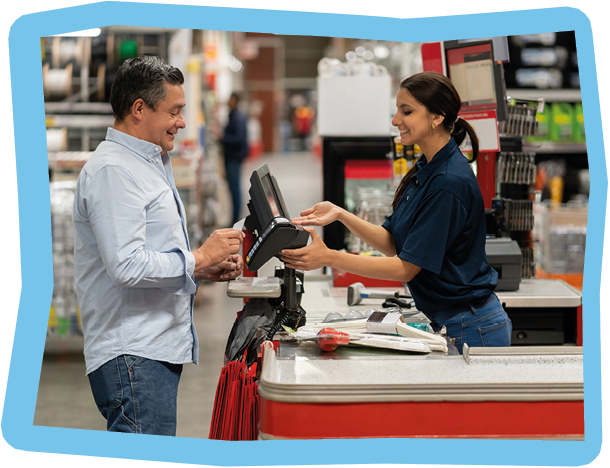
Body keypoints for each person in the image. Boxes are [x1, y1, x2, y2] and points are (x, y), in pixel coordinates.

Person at [280, 71, 512, 354]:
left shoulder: (448, 183)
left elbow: (405, 267)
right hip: (452, 319)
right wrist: (340, 213)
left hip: (472, 327)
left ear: (437, 117)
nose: (395, 121)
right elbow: (391, 242)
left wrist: (329, 257)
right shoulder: (428, 168)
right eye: (397, 110)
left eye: (407, 111)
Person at [73, 56, 245, 436]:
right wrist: (199, 256)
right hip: (133, 354)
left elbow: (151, 251)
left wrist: (201, 268)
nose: (182, 122)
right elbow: (127, 267)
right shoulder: (114, 171)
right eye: (175, 111)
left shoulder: (148, 162)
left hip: (150, 350)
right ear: (139, 109)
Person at [218, 92, 249, 226]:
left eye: (230, 99)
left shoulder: (238, 118)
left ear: (235, 101)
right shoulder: (232, 116)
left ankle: (236, 219)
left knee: (235, 188)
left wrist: (221, 137)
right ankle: (235, 217)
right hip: (230, 157)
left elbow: (239, 139)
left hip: (234, 158)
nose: (227, 102)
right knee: (232, 188)